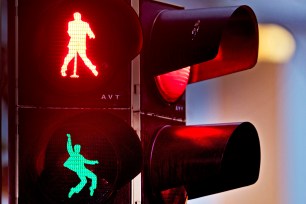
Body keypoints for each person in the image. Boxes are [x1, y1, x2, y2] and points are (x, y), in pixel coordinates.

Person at [61, 12, 98, 77]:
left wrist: (91, 35)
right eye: (76, 16)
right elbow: (69, 31)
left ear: (80, 16)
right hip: (73, 43)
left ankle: (93, 70)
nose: (77, 17)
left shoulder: (85, 24)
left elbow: (89, 31)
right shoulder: (71, 23)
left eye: (78, 15)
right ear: (74, 16)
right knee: (69, 57)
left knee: (84, 57)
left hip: (81, 44)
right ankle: (63, 70)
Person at [63, 133, 99, 198]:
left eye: (79, 148)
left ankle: (92, 188)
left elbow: (87, 161)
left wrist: (94, 162)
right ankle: (74, 190)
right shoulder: (73, 154)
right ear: (75, 149)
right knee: (84, 181)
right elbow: (69, 147)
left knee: (93, 177)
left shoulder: (81, 156)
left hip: (84, 169)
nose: (78, 149)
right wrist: (69, 138)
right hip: (80, 171)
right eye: (77, 148)